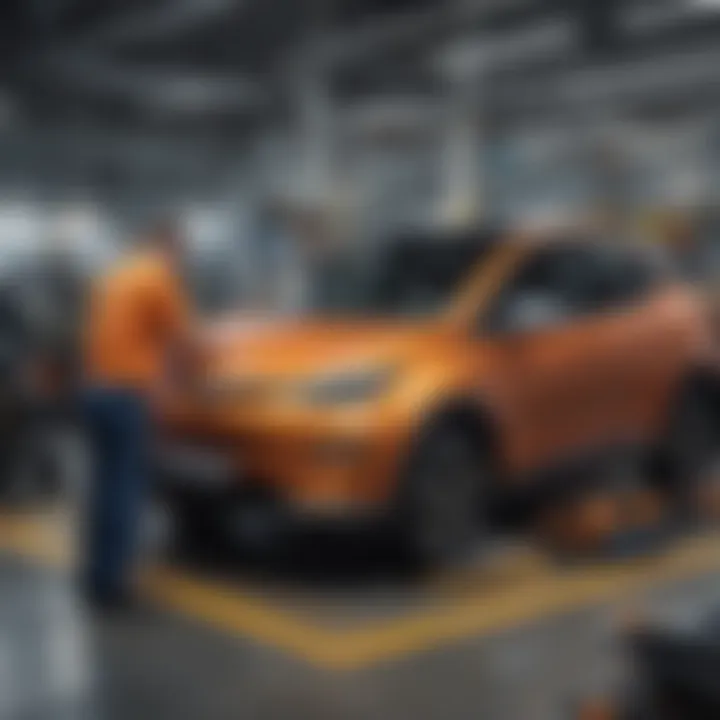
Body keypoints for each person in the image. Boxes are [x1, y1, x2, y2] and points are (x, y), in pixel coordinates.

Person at [81, 218, 191, 609]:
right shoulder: (159, 277)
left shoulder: (116, 274)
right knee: (125, 492)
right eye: (180, 251)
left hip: (95, 391)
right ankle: (115, 586)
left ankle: (94, 576)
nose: (181, 260)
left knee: (101, 489)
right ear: (170, 246)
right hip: (127, 396)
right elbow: (183, 341)